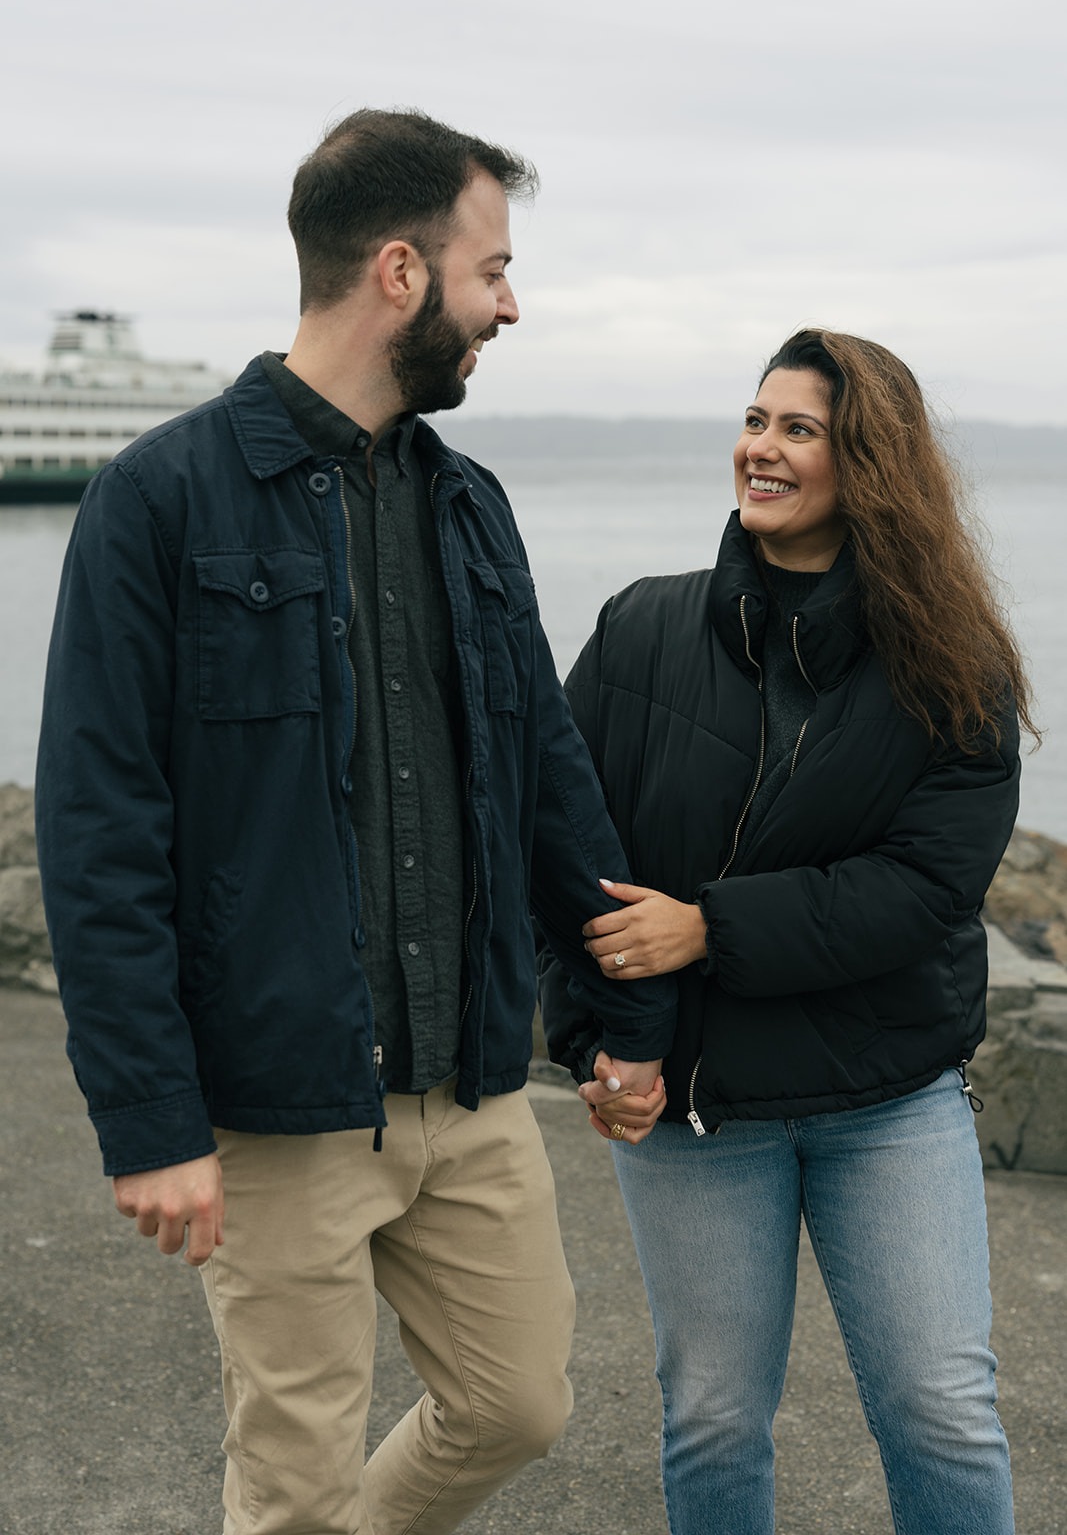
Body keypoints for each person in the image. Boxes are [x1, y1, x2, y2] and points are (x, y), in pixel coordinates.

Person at [34, 108, 676, 1535]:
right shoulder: (157, 499)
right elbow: (99, 835)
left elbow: (544, 781)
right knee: (294, 1485)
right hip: (276, 1112)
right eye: (489, 269)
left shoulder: (470, 507)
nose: (510, 302)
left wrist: (617, 1011)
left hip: (469, 1090)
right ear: (399, 271)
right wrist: (149, 1121)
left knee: (520, 1403)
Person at [540, 328, 1036, 1535]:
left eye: (796, 429)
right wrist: (592, 1047)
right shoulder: (642, 626)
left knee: (939, 1407)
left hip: (887, 1099)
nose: (758, 449)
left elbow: (919, 888)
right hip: (699, 1111)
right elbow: (553, 851)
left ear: (866, 463)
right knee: (710, 1416)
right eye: (755, 420)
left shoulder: (953, 666)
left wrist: (706, 927)